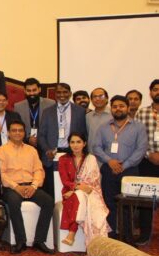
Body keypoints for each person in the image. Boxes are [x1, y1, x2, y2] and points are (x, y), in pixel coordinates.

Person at [0, 121, 54, 255]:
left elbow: (38, 170)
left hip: (31, 186)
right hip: (11, 188)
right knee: (14, 201)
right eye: (14, 130)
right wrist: (16, 187)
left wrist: (34, 185)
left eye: (20, 130)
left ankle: (39, 240)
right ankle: (20, 241)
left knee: (48, 201)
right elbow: (0, 174)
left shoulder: (31, 150)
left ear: (24, 133)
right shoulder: (1, 151)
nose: (17, 133)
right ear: (8, 133)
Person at [93, 95, 148, 239]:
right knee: (109, 204)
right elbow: (96, 147)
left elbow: (141, 149)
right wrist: (109, 161)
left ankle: (128, 238)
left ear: (128, 108)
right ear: (111, 109)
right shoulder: (104, 127)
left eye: (121, 106)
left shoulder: (138, 127)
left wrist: (125, 165)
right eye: (115, 106)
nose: (118, 109)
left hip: (129, 171)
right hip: (109, 170)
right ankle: (111, 237)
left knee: (128, 206)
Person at [57, 133, 110, 246]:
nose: (75, 145)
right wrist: (76, 188)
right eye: (72, 142)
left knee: (82, 197)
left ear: (84, 143)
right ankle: (77, 236)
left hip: (90, 191)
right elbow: (65, 180)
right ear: (69, 144)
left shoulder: (91, 159)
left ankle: (72, 233)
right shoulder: (63, 159)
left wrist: (79, 189)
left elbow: (93, 180)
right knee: (80, 195)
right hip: (69, 191)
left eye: (78, 142)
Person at [38, 83, 87, 197]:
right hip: (52, 156)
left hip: (72, 154)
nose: (62, 95)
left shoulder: (80, 111)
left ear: (70, 94)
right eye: (59, 92)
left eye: (65, 92)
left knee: (71, 189)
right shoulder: (47, 111)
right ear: (55, 94)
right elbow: (41, 135)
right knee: (52, 191)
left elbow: (83, 134)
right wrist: (47, 150)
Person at [135, 79, 159, 245]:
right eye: (155, 89)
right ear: (150, 92)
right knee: (145, 200)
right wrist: (149, 154)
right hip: (147, 161)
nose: (158, 92)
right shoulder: (141, 113)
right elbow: (137, 138)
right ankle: (144, 233)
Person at [14, 78, 55, 148]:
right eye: (28, 91)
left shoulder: (50, 104)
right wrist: (28, 139)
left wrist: (40, 139)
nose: (32, 93)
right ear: (24, 91)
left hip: (46, 144)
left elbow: (52, 126)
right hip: (25, 144)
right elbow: (16, 127)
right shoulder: (18, 106)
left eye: (34, 90)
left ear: (39, 89)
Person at [86, 87, 112, 157]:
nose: (98, 99)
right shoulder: (88, 117)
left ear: (107, 98)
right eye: (95, 97)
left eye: (101, 96)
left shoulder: (114, 115)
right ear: (91, 100)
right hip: (92, 156)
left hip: (109, 156)